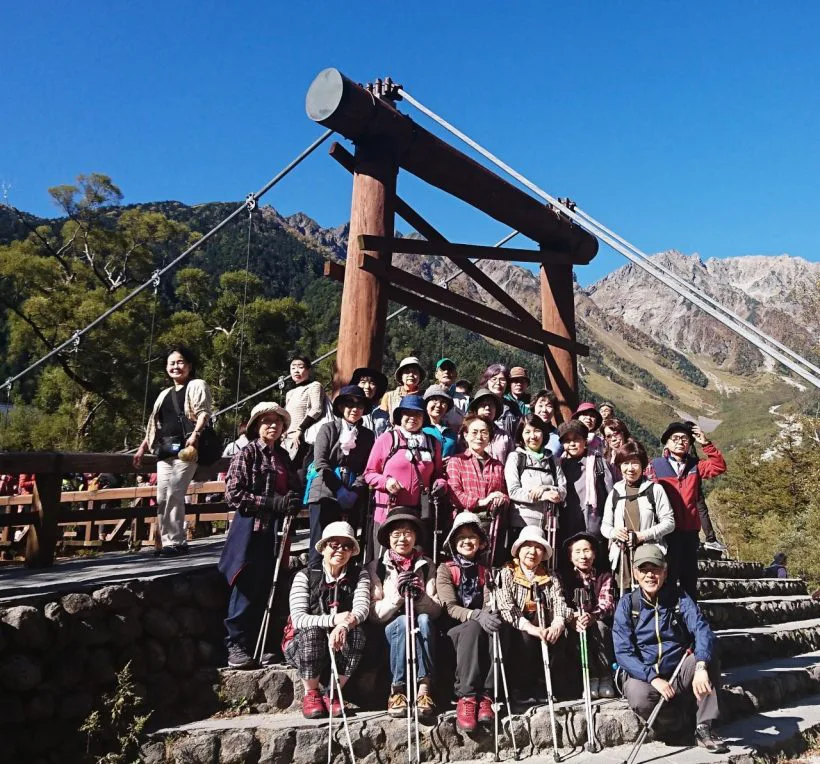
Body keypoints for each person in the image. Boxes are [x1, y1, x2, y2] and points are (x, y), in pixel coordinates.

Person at [613, 544, 728, 754]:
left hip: (678, 670)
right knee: (638, 695)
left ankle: (704, 727)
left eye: (655, 569)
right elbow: (623, 652)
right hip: (645, 674)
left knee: (707, 658)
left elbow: (702, 629)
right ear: (636, 573)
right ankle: (677, 723)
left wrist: (701, 666)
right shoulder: (627, 604)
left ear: (665, 571)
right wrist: (652, 678)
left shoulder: (679, 598)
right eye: (644, 569)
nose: (650, 575)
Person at [217, 402, 301, 669]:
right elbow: (233, 494)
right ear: (256, 425)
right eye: (266, 421)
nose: (272, 426)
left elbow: (293, 487)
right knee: (245, 582)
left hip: (276, 531)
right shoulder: (248, 453)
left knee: (268, 584)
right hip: (251, 527)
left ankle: (260, 643)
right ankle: (235, 643)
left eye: (277, 422)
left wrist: (291, 500)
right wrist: (269, 502)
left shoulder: (284, 457)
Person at [284, 521, 370, 719]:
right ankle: (311, 693)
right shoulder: (305, 576)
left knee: (356, 633)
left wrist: (344, 625)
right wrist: (334, 620)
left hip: (340, 644)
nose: (340, 550)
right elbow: (299, 620)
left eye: (346, 546)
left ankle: (333, 692)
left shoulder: (360, 575)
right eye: (334, 544)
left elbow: (362, 609)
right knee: (312, 632)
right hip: (305, 645)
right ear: (323, 548)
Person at [134, 344, 213, 556]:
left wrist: (195, 435)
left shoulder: (196, 385)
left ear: (189, 365)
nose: (175, 367)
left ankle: (177, 541)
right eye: (171, 363)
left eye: (180, 362)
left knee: (175, 493)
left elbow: (204, 412)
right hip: (165, 449)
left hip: (187, 449)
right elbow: (155, 426)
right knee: (162, 497)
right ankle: (168, 542)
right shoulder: (164, 394)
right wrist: (142, 448)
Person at [367, 506, 441, 719]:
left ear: (415, 536)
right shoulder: (377, 567)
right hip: (390, 631)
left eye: (408, 533)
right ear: (388, 538)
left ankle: (424, 689)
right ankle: (397, 690)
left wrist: (420, 597)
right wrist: (397, 596)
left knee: (425, 619)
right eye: (396, 534)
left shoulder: (426, 565)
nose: (402, 539)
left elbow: (436, 610)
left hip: (420, 625)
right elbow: (374, 614)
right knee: (401, 622)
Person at [647, 423, 727, 601]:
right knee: (668, 577)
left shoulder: (695, 466)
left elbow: (719, 466)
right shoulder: (655, 466)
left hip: (690, 532)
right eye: (675, 438)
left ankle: (688, 623)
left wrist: (706, 443)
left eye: (684, 439)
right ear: (666, 443)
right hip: (667, 532)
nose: (680, 442)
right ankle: (666, 621)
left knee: (689, 581)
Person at [437, 512, 501, 731]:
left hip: (478, 628)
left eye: (472, 536)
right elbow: (449, 606)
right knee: (475, 626)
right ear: (454, 542)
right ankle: (467, 696)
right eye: (461, 537)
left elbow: (488, 601)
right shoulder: (446, 569)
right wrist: (476, 615)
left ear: (480, 542)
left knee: (497, 627)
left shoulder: (485, 571)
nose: (467, 541)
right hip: (453, 630)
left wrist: (488, 614)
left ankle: (487, 695)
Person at [364, 394, 446, 559]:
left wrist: (441, 483)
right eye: (407, 413)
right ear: (400, 416)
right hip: (388, 511)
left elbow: (438, 474)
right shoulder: (386, 439)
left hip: (419, 514)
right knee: (384, 561)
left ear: (424, 417)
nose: (412, 418)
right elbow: (369, 474)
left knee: (418, 560)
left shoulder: (432, 443)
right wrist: (385, 482)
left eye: (418, 414)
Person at [496, 525, 569, 702]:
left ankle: (546, 685)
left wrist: (558, 623)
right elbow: (505, 606)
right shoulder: (506, 573)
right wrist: (529, 628)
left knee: (558, 635)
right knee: (525, 639)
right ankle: (521, 688)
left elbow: (559, 601)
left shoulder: (550, 576)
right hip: (518, 624)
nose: (532, 551)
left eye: (538, 547)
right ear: (519, 549)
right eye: (527, 546)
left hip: (544, 622)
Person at [306, 385, 375, 567]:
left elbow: (367, 467)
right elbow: (320, 463)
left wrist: (353, 491)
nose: (354, 409)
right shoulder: (327, 429)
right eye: (349, 404)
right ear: (341, 407)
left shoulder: (368, 436)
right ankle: (315, 582)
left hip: (352, 492)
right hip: (325, 491)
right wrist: (338, 489)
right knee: (320, 543)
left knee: (346, 544)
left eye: (359, 405)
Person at [601, 441, 675, 591]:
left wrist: (643, 535)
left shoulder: (655, 490)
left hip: (650, 555)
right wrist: (614, 532)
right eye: (625, 463)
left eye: (635, 463)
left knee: (650, 595)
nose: (630, 468)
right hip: (623, 556)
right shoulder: (615, 492)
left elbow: (669, 522)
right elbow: (605, 526)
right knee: (626, 596)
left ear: (643, 466)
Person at [446, 414, 509, 562]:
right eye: (474, 432)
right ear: (465, 435)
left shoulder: (497, 465)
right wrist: (482, 501)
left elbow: (505, 493)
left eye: (484, 432)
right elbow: (455, 493)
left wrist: (501, 499)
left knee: (488, 564)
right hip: (465, 521)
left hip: (491, 523)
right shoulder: (456, 461)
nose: (479, 437)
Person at [560, 532, 616, 698]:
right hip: (573, 622)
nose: (582, 556)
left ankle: (605, 677)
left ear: (594, 554)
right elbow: (560, 601)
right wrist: (572, 617)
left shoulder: (604, 576)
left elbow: (607, 604)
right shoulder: (562, 576)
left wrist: (592, 616)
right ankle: (589, 678)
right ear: (570, 556)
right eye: (577, 552)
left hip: (596, 620)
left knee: (601, 628)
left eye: (586, 550)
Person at [504, 414, 567, 551]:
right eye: (527, 432)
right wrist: (543, 495)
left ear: (544, 433)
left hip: (550, 525)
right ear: (521, 435)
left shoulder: (552, 459)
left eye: (537, 431)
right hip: (522, 523)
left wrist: (545, 488)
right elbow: (513, 491)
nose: (533, 436)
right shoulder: (516, 457)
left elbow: (563, 490)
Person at [558, 420, 613, 547]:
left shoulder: (598, 462)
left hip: (594, 523)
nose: (572, 444)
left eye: (576, 439)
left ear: (585, 440)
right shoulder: (559, 464)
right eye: (567, 440)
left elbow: (611, 494)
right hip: (567, 523)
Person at [283, 356, 326, 463]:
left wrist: (300, 429)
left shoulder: (314, 386)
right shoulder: (290, 393)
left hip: (304, 437)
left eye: (300, 367)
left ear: (308, 370)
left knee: (300, 474)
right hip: (288, 439)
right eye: (293, 368)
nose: (296, 371)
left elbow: (316, 409)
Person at [467, 388, 514, 464]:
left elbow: (511, 462)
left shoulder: (504, 436)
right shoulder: (468, 433)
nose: (487, 408)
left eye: (491, 405)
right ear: (476, 409)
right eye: (483, 405)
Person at [478, 364, 520, 440]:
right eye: (494, 379)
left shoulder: (513, 407)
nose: (498, 383)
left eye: (502, 379)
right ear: (487, 382)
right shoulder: (477, 403)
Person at [351, 366, 390, 437]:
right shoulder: (349, 410)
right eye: (363, 382)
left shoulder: (384, 415)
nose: (367, 387)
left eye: (372, 383)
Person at [422, 385, 459, 458]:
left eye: (443, 402)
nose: (438, 405)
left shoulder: (451, 432)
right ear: (426, 404)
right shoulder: (419, 429)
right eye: (434, 400)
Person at [434, 358, 468, 430]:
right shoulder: (429, 397)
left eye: (450, 369)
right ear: (436, 375)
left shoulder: (464, 401)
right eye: (443, 369)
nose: (446, 371)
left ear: (456, 374)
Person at [530, 389, 562, 457]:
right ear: (534, 407)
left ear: (554, 410)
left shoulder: (559, 436)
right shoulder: (525, 433)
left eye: (549, 406)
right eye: (540, 406)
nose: (544, 410)